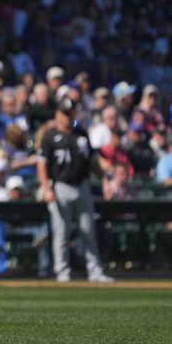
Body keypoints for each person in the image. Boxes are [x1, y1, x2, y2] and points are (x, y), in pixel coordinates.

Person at [36, 98, 114, 283]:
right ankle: (62, 272)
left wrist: (104, 180)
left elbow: (93, 161)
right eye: (65, 113)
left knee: (88, 230)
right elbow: (42, 165)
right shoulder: (50, 136)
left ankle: (95, 271)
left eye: (71, 113)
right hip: (61, 186)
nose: (68, 117)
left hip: (83, 186)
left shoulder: (81, 133)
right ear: (58, 114)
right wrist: (46, 188)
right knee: (61, 232)